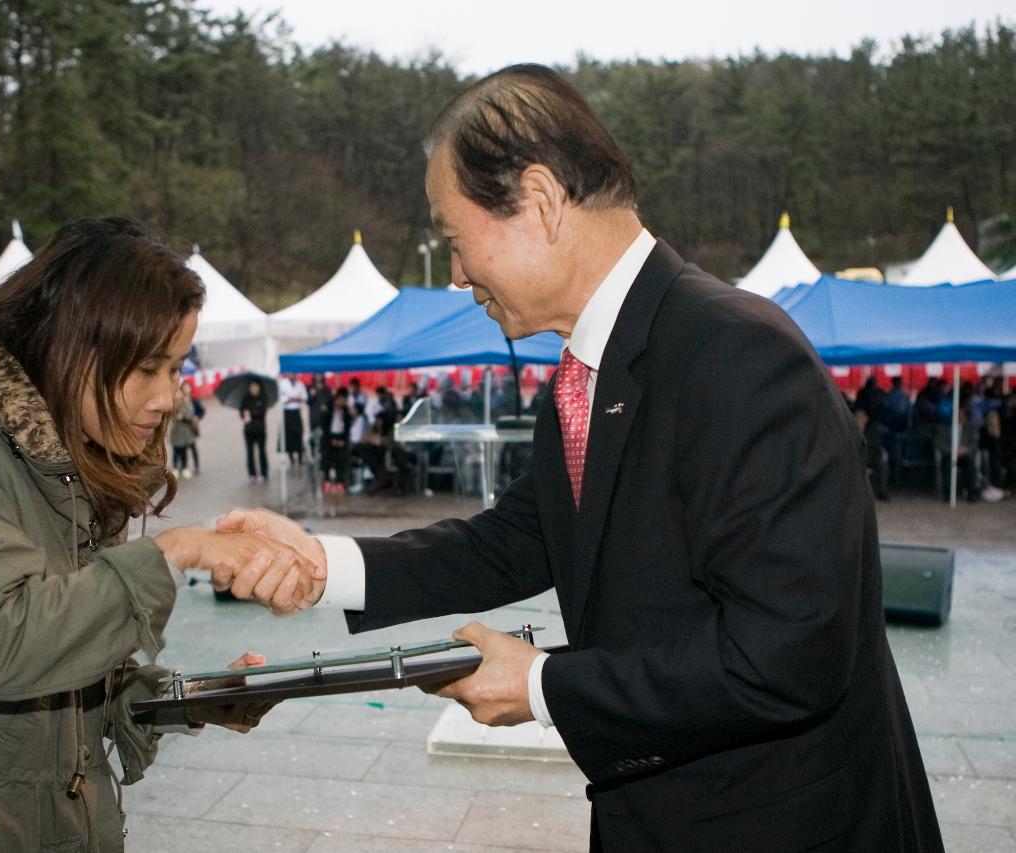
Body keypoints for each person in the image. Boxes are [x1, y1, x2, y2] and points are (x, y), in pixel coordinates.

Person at [215, 65, 942, 851]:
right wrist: (325, 565)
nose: (456, 275)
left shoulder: (738, 353)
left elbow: (790, 652)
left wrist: (538, 683)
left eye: (456, 241)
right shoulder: (581, 372)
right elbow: (521, 537)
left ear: (539, 200)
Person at [0, 218, 321, 852]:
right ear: (75, 352)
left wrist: (191, 700)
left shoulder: (65, 466)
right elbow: (6, 645)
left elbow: (82, 679)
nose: (170, 397)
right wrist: (178, 550)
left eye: (176, 368)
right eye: (150, 368)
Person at [240, 379, 270, 482]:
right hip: (249, 430)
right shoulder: (245, 399)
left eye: (256, 386)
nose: (254, 388)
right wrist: (244, 415)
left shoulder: (263, 398)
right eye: (252, 386)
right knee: (250, 452)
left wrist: (251, 414)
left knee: (262, 451)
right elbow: (242, 412)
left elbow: (262, 412)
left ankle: (264, 473)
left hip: (260, 429)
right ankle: (252, 473)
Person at [170, 381, 200, 478]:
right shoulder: (177, 402)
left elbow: (198, 412)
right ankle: (175, 468)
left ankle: (185, 467)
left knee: (185, 449)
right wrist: (176, 416)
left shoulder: (192, 400)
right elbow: (172, 414)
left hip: (188, 430)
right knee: (176, 449)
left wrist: (195, 417)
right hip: (177, 429)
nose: (186, 389)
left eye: (188, 387)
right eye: (184, 388)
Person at [279, 373, 308, 464]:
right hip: (287, 412)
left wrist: (296, 399)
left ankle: (300, 455)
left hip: (296, 411)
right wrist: (290, 399)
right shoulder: (282, 384)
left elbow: (304, 397)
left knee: (298, 433)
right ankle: (290, 455)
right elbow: (281, 398)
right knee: (288, 435)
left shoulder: (300, 384)